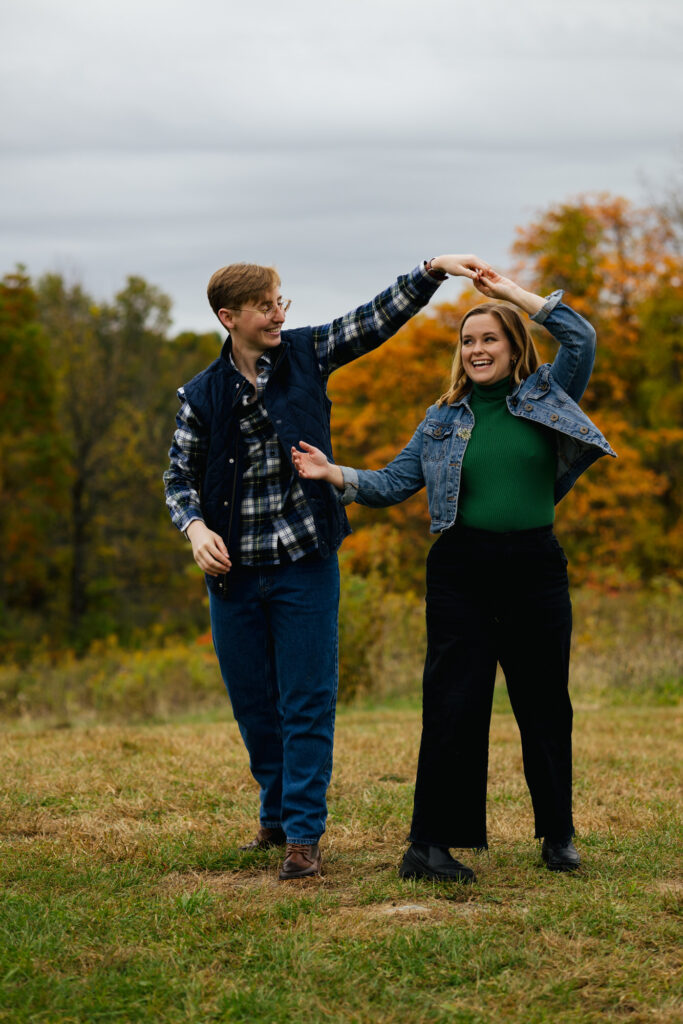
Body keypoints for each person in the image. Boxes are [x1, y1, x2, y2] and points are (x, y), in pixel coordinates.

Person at [163, 253, 492, 880]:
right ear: (230, 318)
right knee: (255, 704)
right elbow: (178, 477)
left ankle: (302, 838)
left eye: (281, 301)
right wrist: (195, 527)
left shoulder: (308, 353)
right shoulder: (201, 394)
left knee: (307, 702)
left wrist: (431, 271)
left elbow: (374, 320)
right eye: (266, 306)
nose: (279, 314)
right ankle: (277, 812)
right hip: (233, 574)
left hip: (305, 563)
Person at [291, 266, 616, 882]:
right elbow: (391, 483)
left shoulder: (547, 393)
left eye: (489, 338)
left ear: (513, 346)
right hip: (461, 571)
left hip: (535, 568)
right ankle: (429, 847)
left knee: (544, 703)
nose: (476, 350)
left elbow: (581, 339)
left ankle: (558, 833)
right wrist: (337, 474)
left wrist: (510, 296)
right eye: (467, 342)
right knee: (452, 705)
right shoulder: (441, 420)